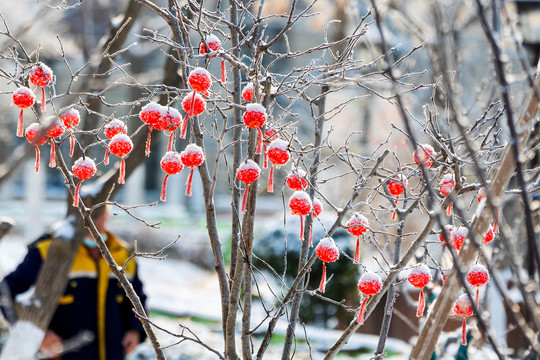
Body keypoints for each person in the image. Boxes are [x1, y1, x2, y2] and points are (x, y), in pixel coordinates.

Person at [0, 206, 147, 360]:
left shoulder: (123, 254)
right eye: (91, 214)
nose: (97, 221)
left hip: (112, 354)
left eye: (102, 214)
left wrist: (135, 329)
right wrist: (35, 334)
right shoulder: (48, 251)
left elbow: (137, 297)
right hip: (62, 355)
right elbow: (5, 292)